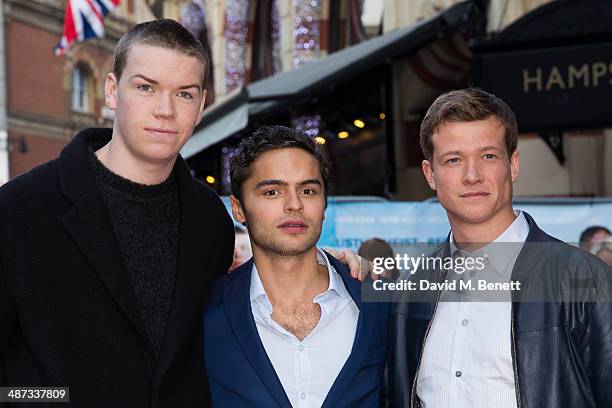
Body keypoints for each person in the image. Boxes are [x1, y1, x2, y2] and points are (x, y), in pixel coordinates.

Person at [0, 19, 236, 407]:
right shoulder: (20, 209)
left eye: (185, 94)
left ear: (201, 106)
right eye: (146, 87)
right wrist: (50, 399)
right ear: (112, 91)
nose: (165, 110)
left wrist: (347, 270)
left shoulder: (210, 219)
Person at [386, 89, 611, 408]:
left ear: (513, 164)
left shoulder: (585, 280)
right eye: (453, 160)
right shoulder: (411, 294)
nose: (472, 175)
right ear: (430, 175)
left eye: (488, 156)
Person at [204, 126, 389, 407]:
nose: (294, 204)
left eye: (308, 190)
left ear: (324, 204)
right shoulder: (205, 312)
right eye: (272, 192)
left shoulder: (379, 302)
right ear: (238, 209)